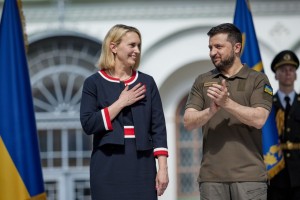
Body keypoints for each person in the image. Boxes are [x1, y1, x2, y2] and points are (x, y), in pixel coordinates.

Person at [183, 23, 273, 200]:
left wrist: (226, 103)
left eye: (218, 47)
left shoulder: (258, 79)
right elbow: (188, 122)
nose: (212, 52)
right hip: (211, 179)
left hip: (250, 179)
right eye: (210, 47)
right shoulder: (203, 80)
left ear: (237, 47)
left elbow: (260, 119)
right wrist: (211, 111)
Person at [80, 24, 169, 200]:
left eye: (138, 46)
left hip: (142, 165)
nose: (136, 50)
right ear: (113, 47)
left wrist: (163, 169)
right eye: (132, 45)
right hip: (107, 165)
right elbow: (89, 124)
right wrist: (121, 102)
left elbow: (158, 128)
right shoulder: (93, 83)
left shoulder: (147, 82)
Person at [267, 50, 300, 200]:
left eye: (291, 70)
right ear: (276, 75)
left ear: (296, 75)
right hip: (275, 174)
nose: (288, 73)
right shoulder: (267, 105)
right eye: (283, 70)